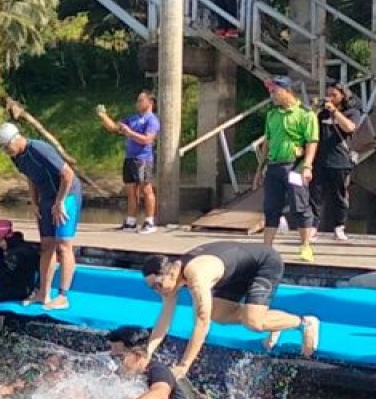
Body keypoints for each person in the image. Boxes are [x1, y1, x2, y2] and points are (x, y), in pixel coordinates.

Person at [140, 242, 321, 378]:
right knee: (218, 314)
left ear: (171, 273)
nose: (157, 290)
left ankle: (304, 322)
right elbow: (164, 319)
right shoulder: (170, 280)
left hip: (262, 263)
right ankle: (270, 319)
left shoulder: (196, 275)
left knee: (253, 322)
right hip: (234, 272)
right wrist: (147, 352)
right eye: (152, 288)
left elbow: (202, 323)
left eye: (158, 285)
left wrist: (184, 365)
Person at [0, 122, 81, 310]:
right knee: (47, 245)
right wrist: (34, 202)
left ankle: (63, 296)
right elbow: (31, 177)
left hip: (67, 195)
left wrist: (60, 202)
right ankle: (43, 293)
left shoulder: (39, 149)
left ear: (16, 139)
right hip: (47, 198)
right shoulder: (17, 157)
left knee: (64, 245)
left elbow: (68, 174)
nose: (5, 151)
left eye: (6, 147)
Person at [253, 76, 319, 261]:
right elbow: (267, 142)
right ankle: (266, 248)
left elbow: (312, 141)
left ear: (287, 91)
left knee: (299, 205)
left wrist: (307, 166)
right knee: (271, 207)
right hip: (274, 165)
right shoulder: (272, 115)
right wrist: (259, 169)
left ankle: (305, 245)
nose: (272, 95)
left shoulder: (305, 114)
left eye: (275, 91)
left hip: (295, 165)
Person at [97, 90, 161, 233]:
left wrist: (129, 133)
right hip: (130, 158)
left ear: (150, 102)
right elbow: (114, 127)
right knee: (131, 190)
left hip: (143, 159)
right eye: (137, 101)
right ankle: (131, 222)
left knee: (146, 189)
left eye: (141, 100)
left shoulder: (152, 120)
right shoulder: (132, 118)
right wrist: (103, 116)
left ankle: (149, 222)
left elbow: (147, 140)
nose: (138, 103)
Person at [309, 82, 361, 241]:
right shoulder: (322, 114)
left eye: (334, 95)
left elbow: (350, 128)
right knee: (315, 195)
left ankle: (339, 226)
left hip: (340, 160)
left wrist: (335, 112)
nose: (330, 98)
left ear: (343, 96)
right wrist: (314, 110)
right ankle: (312, 227)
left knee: (339, 195)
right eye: (328, 95)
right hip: (320, 159)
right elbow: (309, 128)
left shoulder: (352, 112)